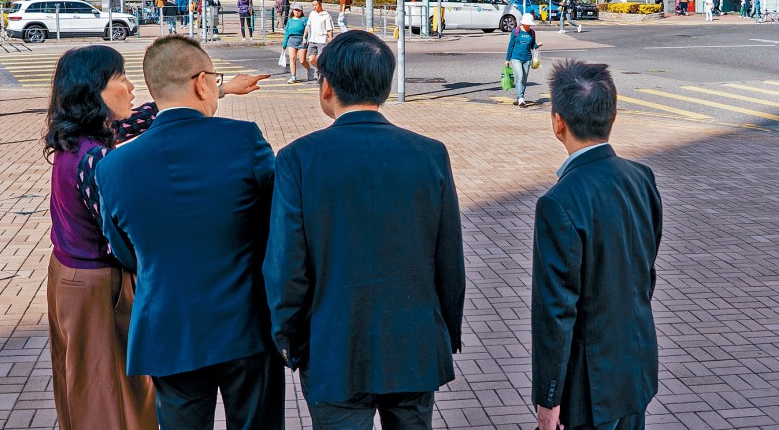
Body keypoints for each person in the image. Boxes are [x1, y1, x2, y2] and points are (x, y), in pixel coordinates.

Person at [264, 31, 465, 430]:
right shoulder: (430, 153)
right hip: (413, 345)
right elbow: (449, 259)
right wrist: (446, 330)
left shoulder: (298, 159)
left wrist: (290, 340)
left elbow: (287, 265)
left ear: (326, 87)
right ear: (386, 87)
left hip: (333, 347)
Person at [95, 36, 284, 430]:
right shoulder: (243, 139)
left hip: (167, 327)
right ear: (201, 82)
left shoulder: (114, 166)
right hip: (245, 325)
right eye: (215, 80)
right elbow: (276, 224)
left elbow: (125, 252)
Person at [532, 60, 661, 430]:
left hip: (589, 389)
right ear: (613, 115)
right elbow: (645, 273)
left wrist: (549, 398)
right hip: (635, 370)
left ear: (558, 123)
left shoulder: (559, 202)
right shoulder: (642, 178)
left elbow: (557, 311)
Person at [43, 46, 159, 430]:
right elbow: (119, 238)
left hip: (68, 274)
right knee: (108, 388)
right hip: (97, 285)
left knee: (79, 378)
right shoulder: (95, 160)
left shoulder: (77, 138)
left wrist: (213, 91)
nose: (130, 87)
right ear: (92, 91)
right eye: (120, 78)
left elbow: (135, 121)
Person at [506, 13, 541, 108]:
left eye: (529, 24)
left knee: (524, 80)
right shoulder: (516, 31)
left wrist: (538, 45)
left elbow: (532, 45)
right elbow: (511, 45)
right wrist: (507, 59)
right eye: (527, 23)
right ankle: (521, 98)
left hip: (527, 58)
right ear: (523, 23)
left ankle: (519, 98)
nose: (528, 25)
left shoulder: (532, 33)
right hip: (516, 58)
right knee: (519, 77)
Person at [302, 0, 335, 81]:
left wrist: (331, 40)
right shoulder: (312, 14)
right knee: (311, 59)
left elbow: (329, 29)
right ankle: (320, 70)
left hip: (322, 40)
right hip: (312, 40)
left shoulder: (326, 15)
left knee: (320, 59)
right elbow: (308, 26)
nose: (314, 7)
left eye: (316, 5)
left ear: (320, 4)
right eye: (313, 5)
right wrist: (304, 37)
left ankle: (323, 74)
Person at [282, 3, 310, 83]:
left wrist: (306, 39)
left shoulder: (304, 20)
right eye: (295, 10)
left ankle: (309, 69)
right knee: (292, 59)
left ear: (301, 11)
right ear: (293, 11)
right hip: (291, 41)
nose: (297, 12)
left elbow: (307, 31)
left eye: (299, 10)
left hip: (302, 41)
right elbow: (287, 32)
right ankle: (293, 76)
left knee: (302, 60)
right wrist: (284, 43)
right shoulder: (290, 21)